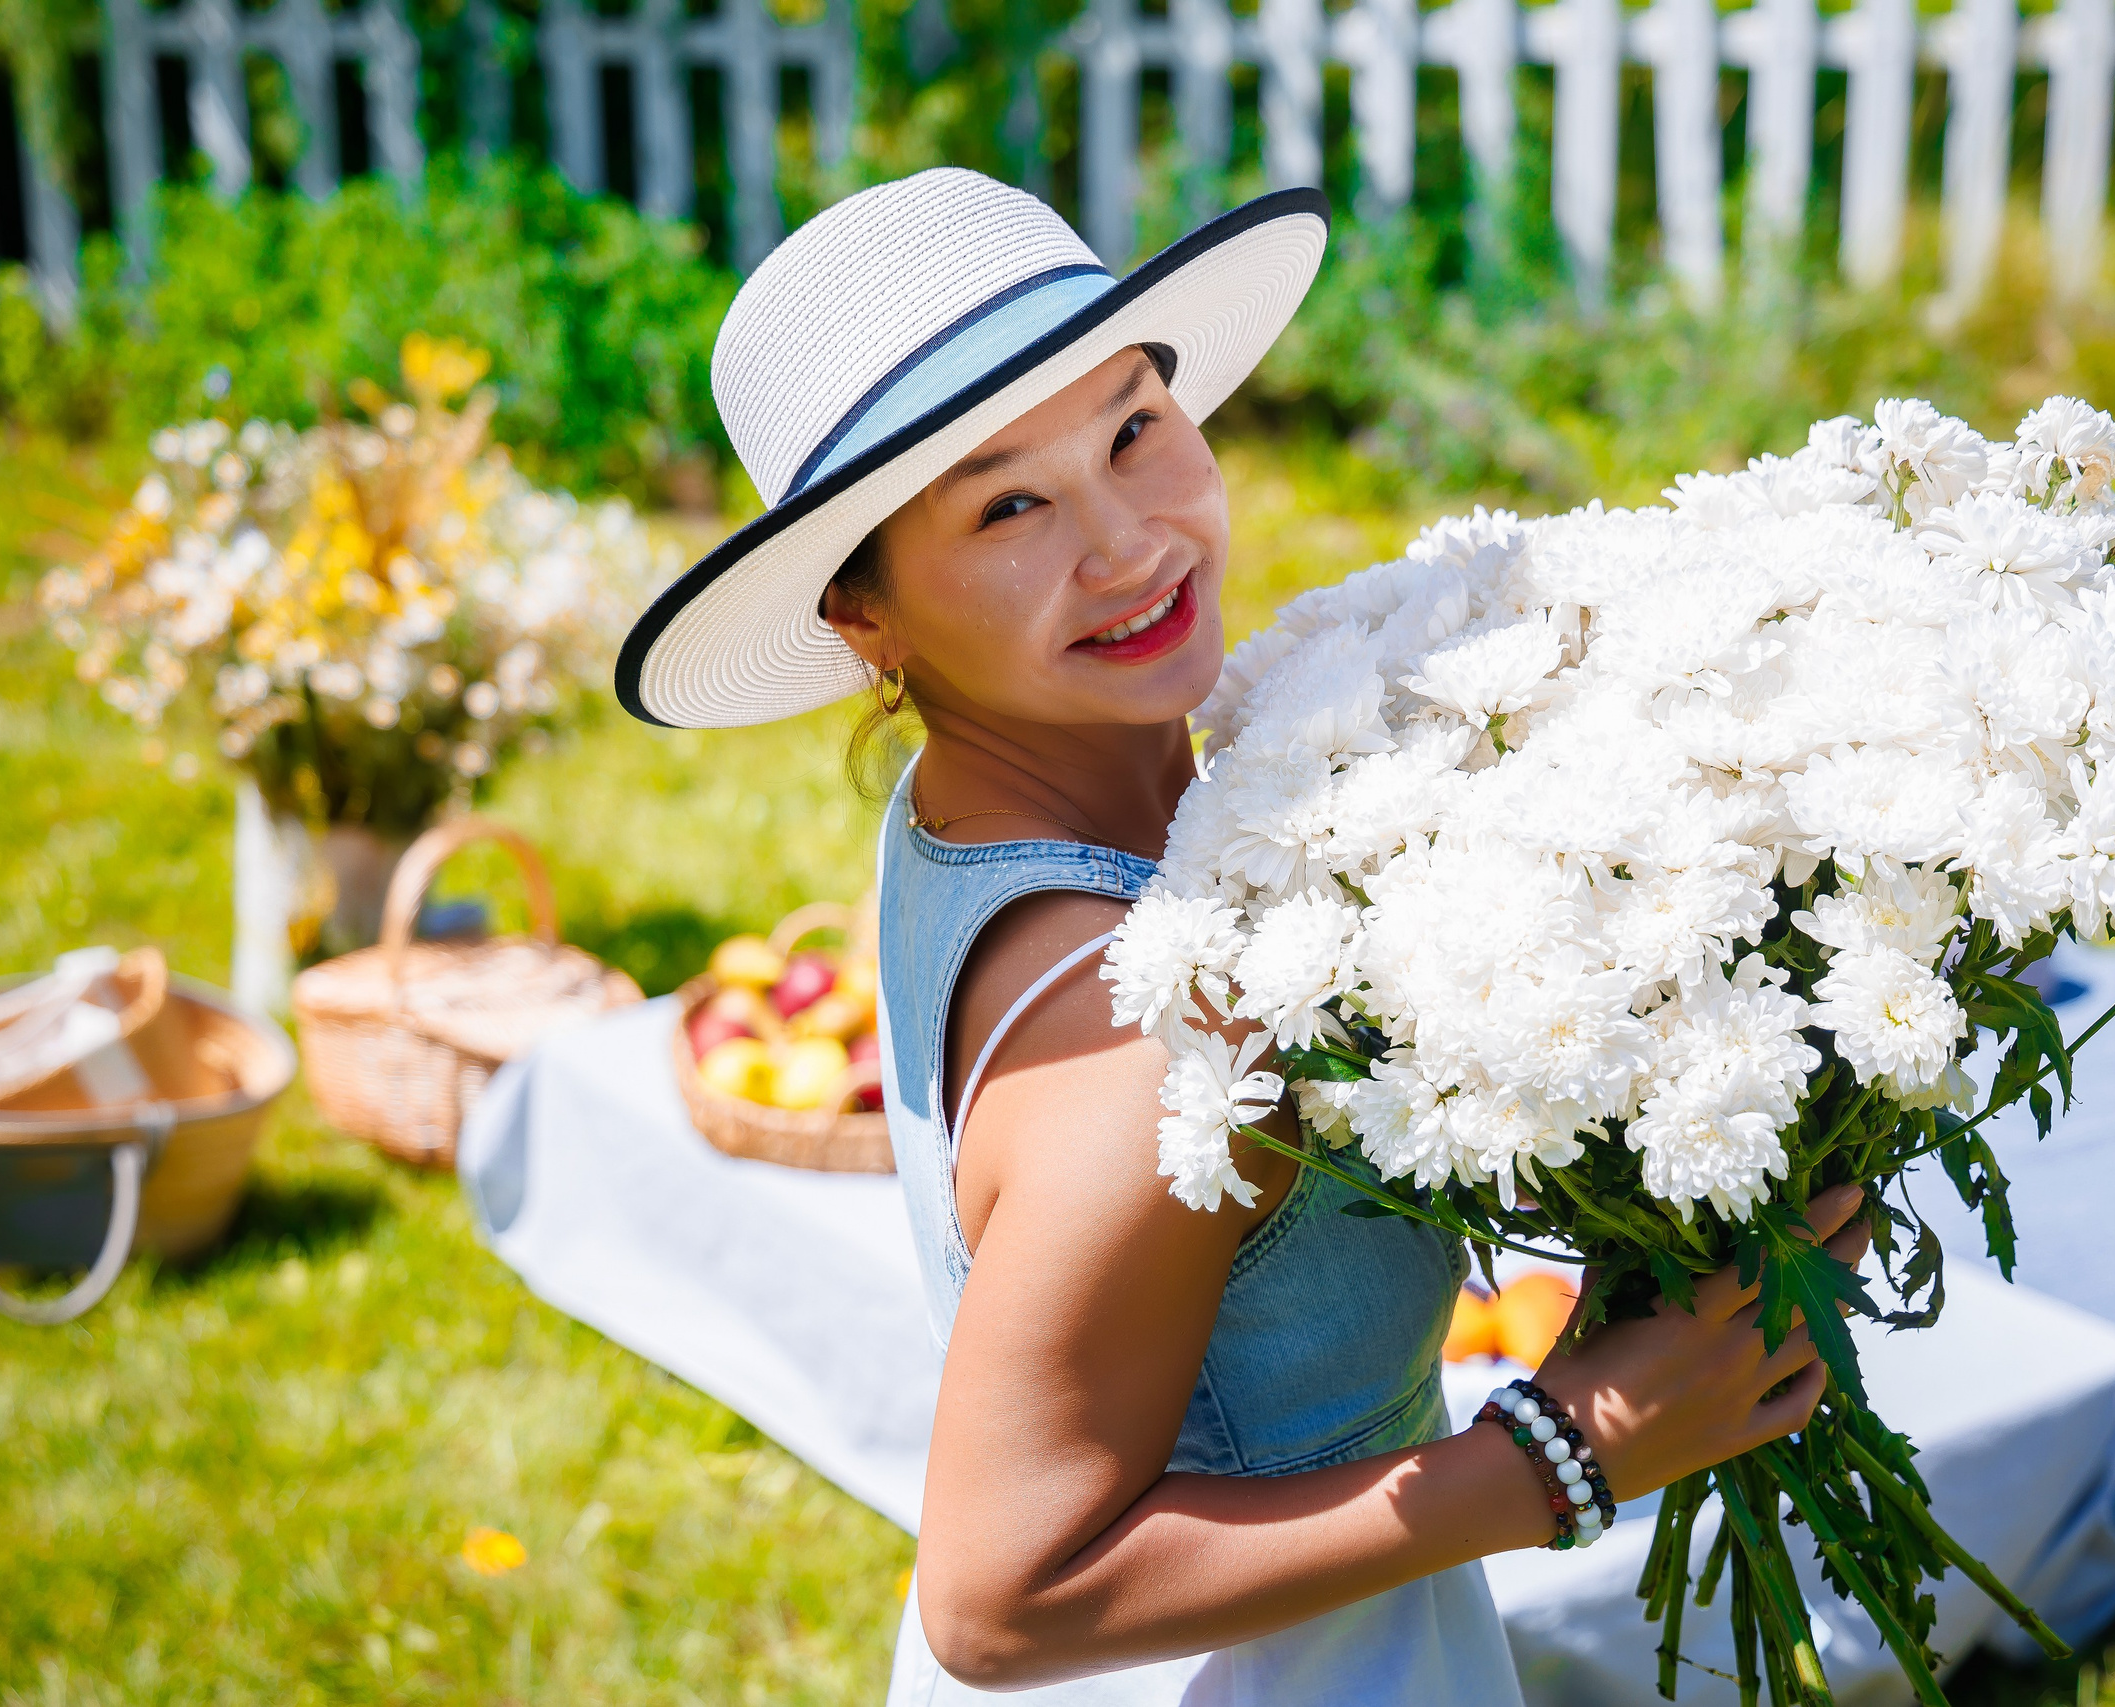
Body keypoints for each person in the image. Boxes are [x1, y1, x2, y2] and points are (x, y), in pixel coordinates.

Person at [615, 168, 1871, 1703]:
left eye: (1133, 430)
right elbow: (1000, 1604)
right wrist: (1566, 1452)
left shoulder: (1015, 803)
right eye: (1008, 505)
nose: (1127, 543)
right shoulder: (1155, 1035)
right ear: (861, 616)